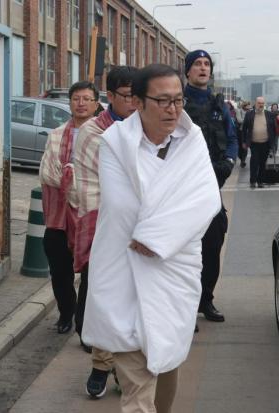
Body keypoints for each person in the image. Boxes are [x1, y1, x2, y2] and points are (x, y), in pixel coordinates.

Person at [82, 63, 221, 413]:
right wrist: (163, 219)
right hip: (125, 271)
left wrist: (156, 237)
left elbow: (206, 201)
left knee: (166, 362)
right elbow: (122, 206)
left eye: (178, 100)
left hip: (174, 270)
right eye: (162, 101)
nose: (173, 109)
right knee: (137, 386)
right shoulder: (115, 142)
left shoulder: (193, 141)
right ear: (138, 102)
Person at [73, 66, 138, 398]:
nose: (134, 102)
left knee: (137, 301)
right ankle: (101, 364)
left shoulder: (148, 128)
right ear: (109, 96)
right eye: (127, 96)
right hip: (105, 227)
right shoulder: (93, 132)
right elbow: (93, 187)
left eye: (138, 95)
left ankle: (126, 368)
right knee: (106, 298)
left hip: (142, 229)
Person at [38, 81, 100, 336]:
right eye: (76, 98)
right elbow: (47, 172)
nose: (81, 103)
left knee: (90, 271)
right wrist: (73, 177)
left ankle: (84, 321)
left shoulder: (105, 136)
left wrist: (70, 176)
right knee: (59, 267)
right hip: (59, 214)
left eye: (86, 99)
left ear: (96, 104)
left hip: (90, 212)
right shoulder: (56, 135)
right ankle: (66, 312)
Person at [183, 49, 238, 323]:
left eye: (207, 64)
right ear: (188, 71)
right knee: (184, 250)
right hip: (184, 188)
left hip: (212, 184)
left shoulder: (219, 105)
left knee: (213, 244)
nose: (203, 68)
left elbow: (232, 138)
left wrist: (229, 161)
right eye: (197, 64)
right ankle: (185, 307)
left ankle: (206, 300)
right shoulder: (178, 104)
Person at [242, 96, 277, 188]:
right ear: (255, 103)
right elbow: (244, 128)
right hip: (254, 143)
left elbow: (273, 130)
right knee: (254, 162)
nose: (261, 105)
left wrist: (273, 143)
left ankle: (260, 181)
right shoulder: (249, 114)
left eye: (262, 103)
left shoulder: (269, 114)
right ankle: (253, 181)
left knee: (262, 163)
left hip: (266, 143)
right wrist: (244, 141)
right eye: (259, 103)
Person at [236, 101, 251, 167]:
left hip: (247, 131)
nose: (248, 107)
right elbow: (239, 120)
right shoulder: (239, 111)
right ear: (244, 106)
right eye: (247, 105)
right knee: (240, 146)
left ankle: (243, 160)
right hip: (240, 131)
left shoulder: (250, 112)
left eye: (249, 105)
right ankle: (241, 157)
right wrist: (247, 121)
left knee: (245, 146)